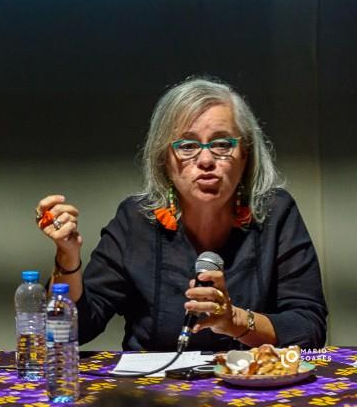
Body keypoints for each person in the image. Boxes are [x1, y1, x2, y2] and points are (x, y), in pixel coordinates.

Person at [35, 76, 327, 352]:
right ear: (164, 160)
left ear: (245, 156)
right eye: (187, 146)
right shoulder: (136, 221)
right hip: (156, 385)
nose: (206, 160)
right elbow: (71, 331)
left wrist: (235, 321)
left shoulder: (275, 214)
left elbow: (309, 327)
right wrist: (67, 259)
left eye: (221, 144)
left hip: (250, 381)